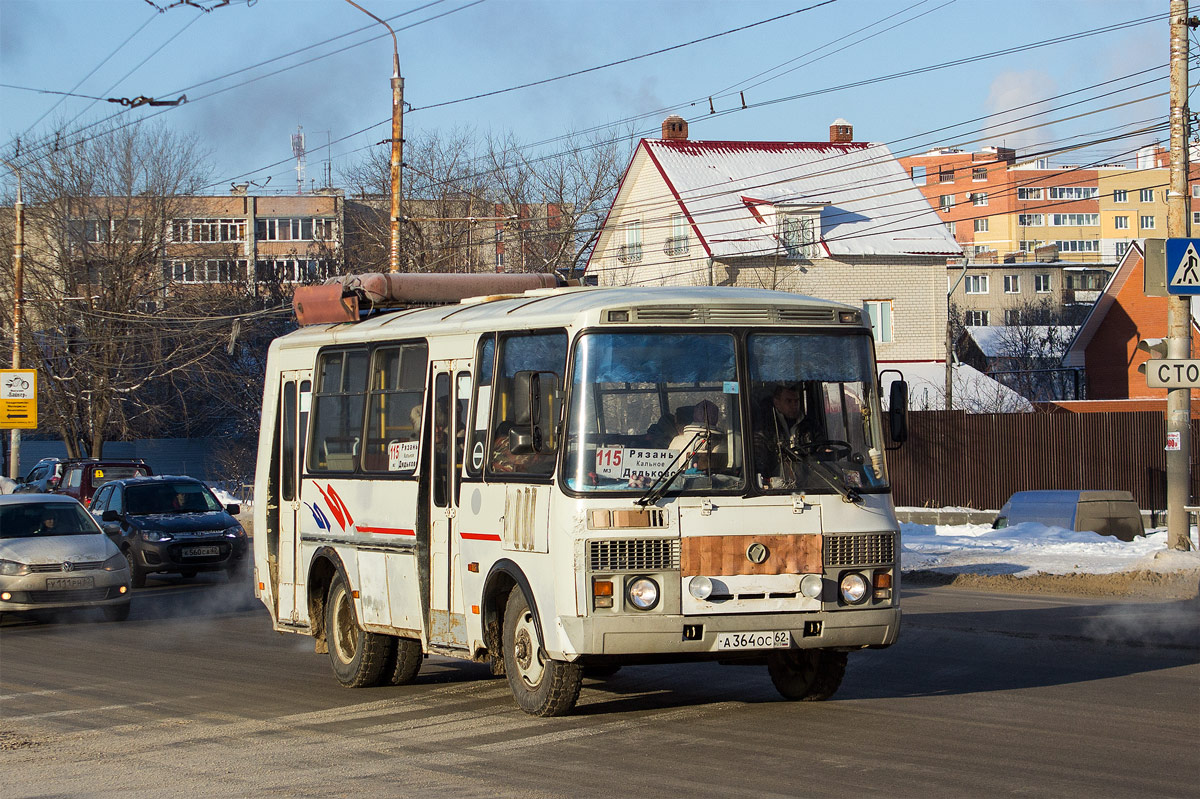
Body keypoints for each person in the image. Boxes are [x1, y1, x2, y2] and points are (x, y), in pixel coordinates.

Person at [753, 384, 819, 488]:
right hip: (776, 487)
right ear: (777, 402)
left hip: (809, 484)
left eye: (796, 401)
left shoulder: (810, 426)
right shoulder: (766, 427)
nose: (794, 405)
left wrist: (825, 452)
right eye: (789, 401)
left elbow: (820, 449)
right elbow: (759, 459)